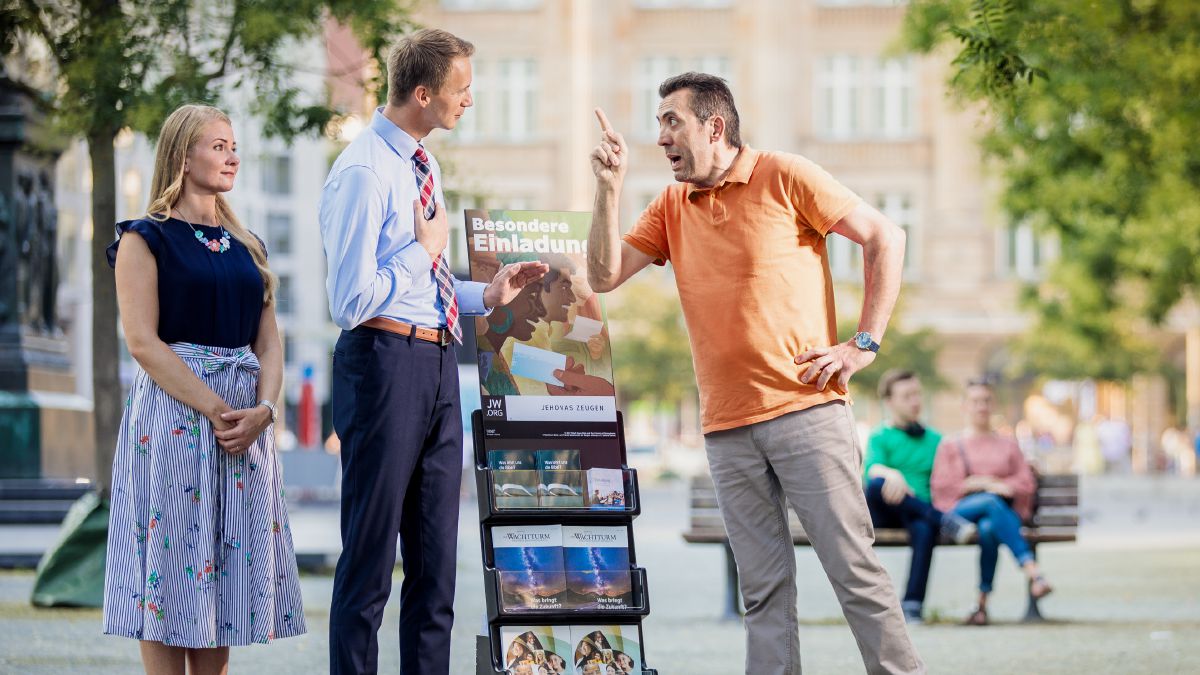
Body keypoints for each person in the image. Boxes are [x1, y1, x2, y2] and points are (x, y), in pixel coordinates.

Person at [587, 72, 923, 674]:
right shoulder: (670, 205)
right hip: (726, 427)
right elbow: (604, 275)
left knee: (855, 574)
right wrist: (608, 189)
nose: (660, 135)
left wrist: (862, 345)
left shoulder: (785, 175)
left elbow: (884, 236)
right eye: (658, 122)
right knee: (763, 592)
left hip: (806, 411)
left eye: (671, 121)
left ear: (714, 126)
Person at [319, 29, 547, 675]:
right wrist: (425, 251)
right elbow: (353, 300)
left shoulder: (422, 162)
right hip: (382, 365)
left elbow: (421, 279)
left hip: (440, 362)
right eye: (461, 89)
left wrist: (484, 294)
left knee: (436, 565)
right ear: (423, 94)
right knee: (368, 564)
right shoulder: (363, 171)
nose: (469, 100)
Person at [102, 104, 306, 672]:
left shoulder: (249, 246)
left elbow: (269, 344)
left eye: (233, 145)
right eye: (218, 146)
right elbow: (142, 342)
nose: (232, 155)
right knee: (171, 564)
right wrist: (219, 408)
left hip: (245, 423)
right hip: (175, 417)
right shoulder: (146, 239)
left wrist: (264, 410)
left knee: (225, 559)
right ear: (182, 154)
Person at [930, 379, 1054, 626]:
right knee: (988, 501)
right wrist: (982, 484)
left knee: (989, 528)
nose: (981, 406)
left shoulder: (1007, 444)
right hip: (961, 514)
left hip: (997, 515)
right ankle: (1033, 571)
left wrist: (1003, 486)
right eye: (975, 401)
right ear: (965, 406)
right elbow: (942, 487)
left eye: (986, 400)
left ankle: (981, 606)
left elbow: (1025, 482)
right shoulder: (951, 445)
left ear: (993, 404)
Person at [864, 370, 976, 624]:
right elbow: (872, 470)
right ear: (890, 402)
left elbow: (962, 472)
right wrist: (893, 474)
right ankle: (944, 520)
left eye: (917, 394)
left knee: (925, 528)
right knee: (877, 484)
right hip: (884, 512)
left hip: (918, 513)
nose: (915, 401)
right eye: (907, 396)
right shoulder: (880, 436)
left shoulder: (937, 440)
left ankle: (913, 604)